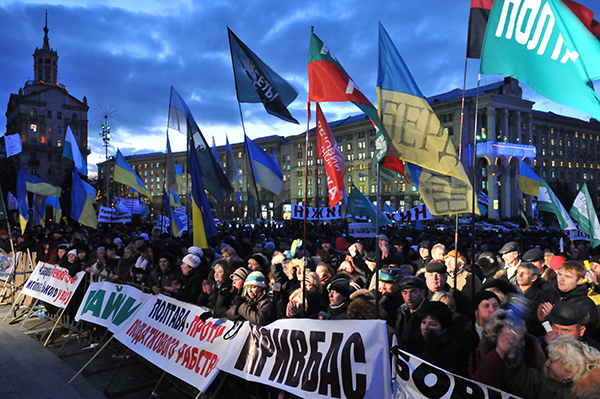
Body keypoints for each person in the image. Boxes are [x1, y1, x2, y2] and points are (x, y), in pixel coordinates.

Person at [502, 335, 600, 399]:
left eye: (551, 361)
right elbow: (523, 384)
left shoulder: (590, 393)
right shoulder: (545, 376)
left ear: (568, 367)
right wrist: (512, 357)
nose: (546, 364)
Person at [469, 310, 546, 389]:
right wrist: (499, 353)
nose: (524, 344)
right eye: (519, 339)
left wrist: (514, 361)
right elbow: (479, 387)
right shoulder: (479, 355)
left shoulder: (531, 352)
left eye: (522, 339)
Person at [538, 260, 598, 338]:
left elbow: (586, 336)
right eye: (560, 274)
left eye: (568, 277)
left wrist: (552, 318)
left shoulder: (586, 304)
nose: (561, 279)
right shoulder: (548, 294)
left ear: (579, 280)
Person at [415, 301, 467, 376]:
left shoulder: (453, 351)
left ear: (444, 328)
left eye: (432, 324)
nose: (425, 327)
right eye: (423, 322)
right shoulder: (416, 343)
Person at [396, 276, 428, 350]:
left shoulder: (429, 312)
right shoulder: (401, 311)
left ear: (422, 292)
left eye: (413, 292)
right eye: (405, 293)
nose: (409, 297)